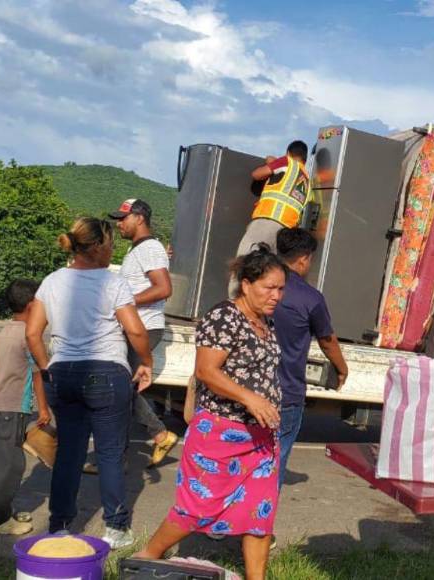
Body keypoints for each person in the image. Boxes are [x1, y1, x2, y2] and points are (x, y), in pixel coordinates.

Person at [134, 246, 286, 580]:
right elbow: (206, 371)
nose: (276, 295)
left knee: (259, 513)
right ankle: (146, 558)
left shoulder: (265, 321)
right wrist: (251, 399)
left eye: (280, 288)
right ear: (246, 284)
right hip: (220, 434)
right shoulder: (223, 317)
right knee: (197, 508)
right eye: (269, 287)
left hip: (260, 440)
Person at [26, 217, 153, 549]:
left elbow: (33, 333)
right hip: (106, 373)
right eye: (110, 244)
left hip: (62, 374)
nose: (112, 250)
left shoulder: (52, 281)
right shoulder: (112, 283)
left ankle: (59, 527)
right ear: (97, 246)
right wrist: (146, 362)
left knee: (69, 452)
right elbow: (135, 330)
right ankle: (116, 529)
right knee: (110, 453)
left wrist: (47, 367)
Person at [273, 228, 348, 488]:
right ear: (304, 258)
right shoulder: (310, 298)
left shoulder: (258, 286)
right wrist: (341, 369)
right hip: (286, 392)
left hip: (249, 388)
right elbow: (327, 340)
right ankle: (260, 513)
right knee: (275, 460)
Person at [108, 198, 178, 466]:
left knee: (120, 391)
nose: (119, 223)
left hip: (144, 327)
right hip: (137, 326)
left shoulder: (149, 248)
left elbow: (163, 288)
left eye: (123, 218)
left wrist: (124, 302)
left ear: (139, 218)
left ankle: (158, 435)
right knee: (122, 392)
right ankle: (120, 456)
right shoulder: (138, 249)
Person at [0, 279, 50, 536]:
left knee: (3, 463)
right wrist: (44, 409)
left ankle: (1, 513)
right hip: (12, 409)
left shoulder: (6, 332)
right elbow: (38, 375)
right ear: (32, 305)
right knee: (9, 467)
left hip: (2, 406)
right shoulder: (29, 335)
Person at [229, 141, 310, 296]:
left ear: (288, 152)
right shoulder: (306, 179)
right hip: (284, 232)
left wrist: (271, 162)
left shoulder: (286, 162)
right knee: (267, 272)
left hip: (267, 221)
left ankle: (235, 303)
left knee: (243, 263)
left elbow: (257, 174)